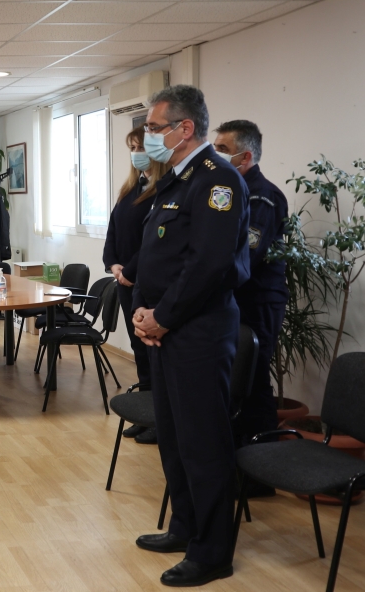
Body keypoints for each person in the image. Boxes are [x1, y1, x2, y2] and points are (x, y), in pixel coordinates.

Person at [130, 86, 250, 587]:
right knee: (175, 440)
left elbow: (207, 265)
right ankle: (184, 526)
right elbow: (157, 257)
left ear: (185, 129)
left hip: (197, 333)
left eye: (155, 128)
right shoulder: (177, 179)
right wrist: (144, 313)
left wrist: (162, 316)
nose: (148, 138)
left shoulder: (217, 180)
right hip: (166, 331)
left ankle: (212, 551)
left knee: (204, 445)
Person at [213, 120, 287, 463]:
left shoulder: (263, 195)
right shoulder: (228, 191)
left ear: (245, 156)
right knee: (237, 381)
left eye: (223, 149)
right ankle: (240, 459)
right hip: (236, 299)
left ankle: (264, 465)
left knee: (254, 382)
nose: (216, 155)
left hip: (258, 301)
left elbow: (247, 255)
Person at [102, 127, 168, 445]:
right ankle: (143, 415)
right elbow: (114, 230)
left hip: (147, 282)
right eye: (131, 147)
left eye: (140, 147)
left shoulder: (163, 190)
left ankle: (158, 420)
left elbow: (153, 241)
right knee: (139, 352)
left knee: (154, 355)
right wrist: (113, 264)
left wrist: (129, 270)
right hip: (126, 282)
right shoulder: (130, 188)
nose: (135, 153)